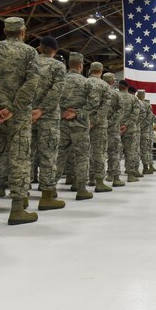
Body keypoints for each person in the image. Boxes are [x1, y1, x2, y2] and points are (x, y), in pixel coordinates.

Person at [0, 17, 40, 225]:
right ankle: (17, 209)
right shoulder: (29, 52)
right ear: (23, 32)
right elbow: (32, 82)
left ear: (5, 31)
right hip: (19, 115)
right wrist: (13, 109)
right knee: (20, 158)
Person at [55, 52, 97, 200]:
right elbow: (94, 103)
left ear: (69, 65)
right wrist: (78, 113)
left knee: (58, 155)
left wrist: (62, 113)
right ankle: (81, 189)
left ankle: (50, 187)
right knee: (81, 156)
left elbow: (51, 99)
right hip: (80, 124)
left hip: (62, 123)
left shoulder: (60, 80)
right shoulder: (86, 82)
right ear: (81, 65)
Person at [30, 35, 66, 210]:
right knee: (48, 155)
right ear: (55, 51)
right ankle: (47, 196)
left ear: (39, 47)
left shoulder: (30, 63)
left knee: (24, 155)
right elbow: (56, 91)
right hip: (48, 117)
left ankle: (21, 195)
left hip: (27, 115)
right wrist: (42, 109)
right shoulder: (57, 66)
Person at [87, 62, 113, 192]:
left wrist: (86, 120)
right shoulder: (105, 86)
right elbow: (105, 107)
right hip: (99, 125)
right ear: (101, 71)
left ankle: (88, 178)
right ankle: (99, 182)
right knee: (99, 152)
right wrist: (95, 121)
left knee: (83, 152)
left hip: (82, 122)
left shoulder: (84, 82)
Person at [103, 72, 125, 187]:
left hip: (96, 127)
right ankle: (115, 177)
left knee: (96, 152)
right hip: (112, 128)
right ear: (112, 81)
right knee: (114, 152)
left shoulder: (96, 91)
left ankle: (94, 178)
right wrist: (110, 123)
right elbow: (120, 111)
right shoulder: (116, 95)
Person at [118, 83, 141, 182]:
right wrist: (126, 125)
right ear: (127, 87)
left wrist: (117, 125)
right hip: (130, 129)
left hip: (115, 129)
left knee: (114, 152)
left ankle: (112, 174)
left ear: (118, 86)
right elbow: (136, 114)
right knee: (130, 152)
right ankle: (130, 175)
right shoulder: (134, 99)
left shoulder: (114, 96)